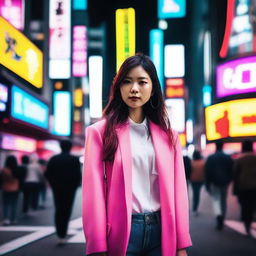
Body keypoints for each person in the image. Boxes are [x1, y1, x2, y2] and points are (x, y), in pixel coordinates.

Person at [82, 53, 192, 256]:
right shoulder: (99, 132)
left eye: (142, 82)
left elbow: (179, 193)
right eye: (127, 82)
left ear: (152, 88)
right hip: (122, 233)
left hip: (162, 232)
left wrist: (181, 243)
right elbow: (93, 193)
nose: (134, 88)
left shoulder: (169, 136)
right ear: (119, 87)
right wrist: (97, 245)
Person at [45, 140, 81, 245]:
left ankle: (60, 233)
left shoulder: (54, 159)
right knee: (67, 209)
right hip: (70, 189)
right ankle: (63, 233)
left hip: (57, 188)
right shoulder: (74, 159)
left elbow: (47, 173)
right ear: (70, 147)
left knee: (58, 209)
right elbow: (77, 175)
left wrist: (53, 184)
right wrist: (75, 185)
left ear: (60, 147)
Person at [205, 141, 233, 230]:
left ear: (216, 146)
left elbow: (207, 172)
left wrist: (207, 184)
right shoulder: (227, 157)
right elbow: (231, 170)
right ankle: (222, 218)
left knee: (216, 200)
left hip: (214, 182)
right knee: (223, 201)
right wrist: (229, 180)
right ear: (222, 146)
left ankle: (219, 217)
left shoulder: (211, 158)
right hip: (224, 182)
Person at [233, 140, 256, 236]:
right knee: (253, 205)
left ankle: (247, 225)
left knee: (245, 206)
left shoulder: (239, 159)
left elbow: (235, 174)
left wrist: (235, 189)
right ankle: (251, 220)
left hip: (243, 187)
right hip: (255, 186)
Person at [0, 155, 20, 225]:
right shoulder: (17, 169)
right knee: (14, 204)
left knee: (5, 204)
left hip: (6, 188)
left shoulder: (4, 170)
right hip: (15, 188)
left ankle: (6, 219)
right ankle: (13, 219)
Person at [190, 150, 205, 216]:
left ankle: (194, 208)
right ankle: (195, 208)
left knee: (195, 194)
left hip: (193, 180)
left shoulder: (192, 162)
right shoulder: (202, 162)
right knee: (197, 194)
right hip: (200, 180)